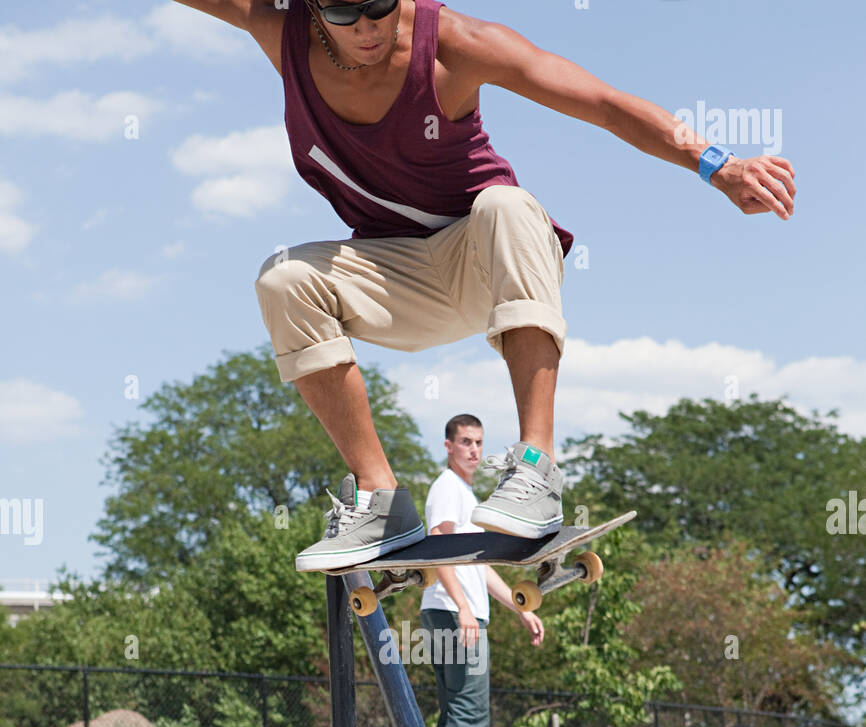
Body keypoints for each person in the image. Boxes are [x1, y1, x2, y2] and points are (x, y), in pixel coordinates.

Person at [174, 0, 797, 571]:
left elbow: (601, 101)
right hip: (396, 279)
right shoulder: (277, 26)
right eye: (344, 11)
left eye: (378, 6)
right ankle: (380, 499)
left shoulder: (455, 44)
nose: (366, 27)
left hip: (489, 260)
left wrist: (718, 164)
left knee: (505, 204)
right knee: (284, 278)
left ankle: (535, 467)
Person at [419, 413, 543, 727]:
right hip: (454, 613)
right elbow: (439, 546)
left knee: (455, 710)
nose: (473, 450)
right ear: (448, 446)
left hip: (448, 610)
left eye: (478, 443)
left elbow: (480, 567)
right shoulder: (448, 489)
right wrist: (464, 607)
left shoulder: (468, 497)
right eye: (465, 442)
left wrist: (519, 607)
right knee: (470, 710)